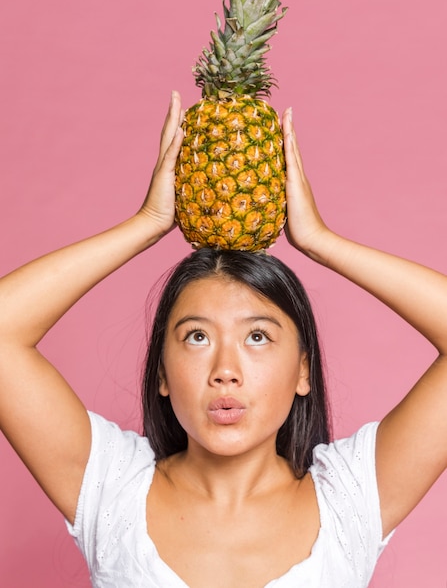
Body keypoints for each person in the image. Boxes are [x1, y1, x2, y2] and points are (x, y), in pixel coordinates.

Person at [1, 90, 447, 588]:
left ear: (303, 369)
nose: (225, 369)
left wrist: (322, 242)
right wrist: (145, 226)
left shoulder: (350, 498)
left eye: (257, 336)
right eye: (196, 337)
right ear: (162, 372)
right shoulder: (113, 489)